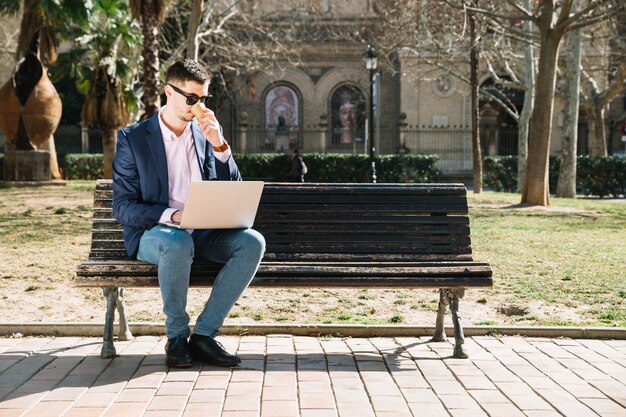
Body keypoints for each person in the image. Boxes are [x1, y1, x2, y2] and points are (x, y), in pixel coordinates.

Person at [112, 59, 266, 368]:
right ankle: (177, 337)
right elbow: (122, 207)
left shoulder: (204, 136)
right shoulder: (134, 139)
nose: (198, 106)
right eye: (192, 98)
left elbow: (232, 187)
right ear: (170, 92)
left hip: (204, 232)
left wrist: (221, 146)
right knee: (178, 242)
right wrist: (172, 215)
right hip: (155, 234)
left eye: (204, 99)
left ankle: (205, 336)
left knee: (252, 242)